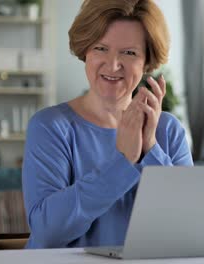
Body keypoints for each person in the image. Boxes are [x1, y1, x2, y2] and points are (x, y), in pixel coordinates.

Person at [22, 0, 193, 249]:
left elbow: (190, 226)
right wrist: (123, 160)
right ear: (85, 52)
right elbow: (47, 233)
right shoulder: (50, 127)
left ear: (147, 62)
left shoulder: (167, 130)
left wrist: (150, 148)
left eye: (129, 52)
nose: (113, 65)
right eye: (101, 48)